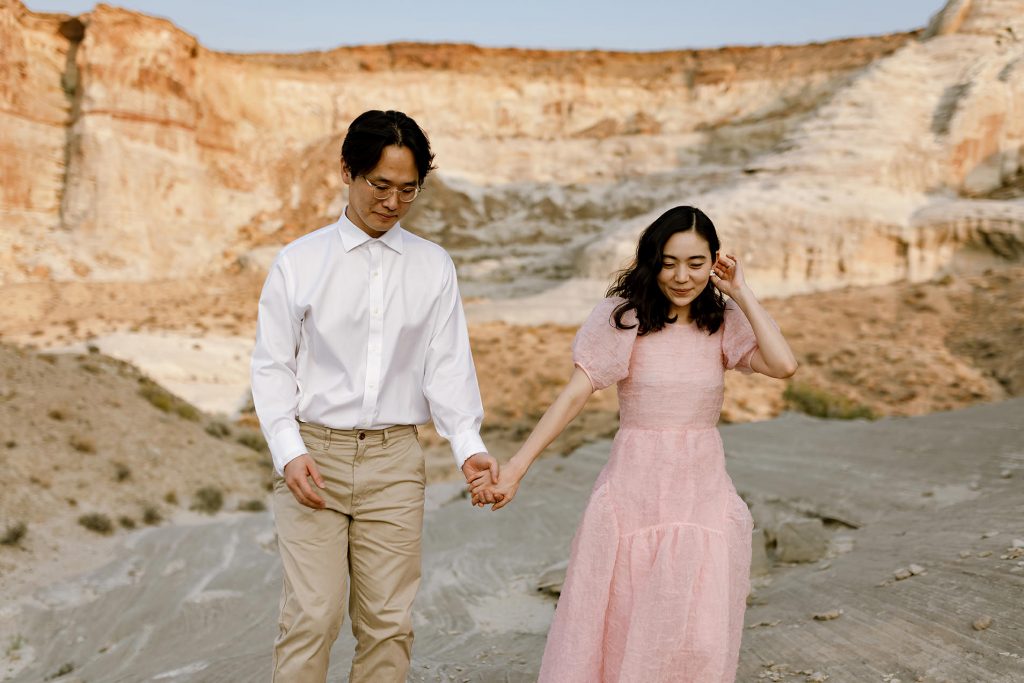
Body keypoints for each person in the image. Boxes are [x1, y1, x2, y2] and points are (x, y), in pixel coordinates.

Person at [470, 206, 797, 681]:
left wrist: (742, 291)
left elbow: (783, 365)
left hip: (701, 495)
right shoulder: (624, 318)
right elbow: (574, 395)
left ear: (715, 263)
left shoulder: (721, 320)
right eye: (668, 263)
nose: (682, 276)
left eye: (695, 263)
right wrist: (517, 467)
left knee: (700, 633)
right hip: (636, 493)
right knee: (625, 624)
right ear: (651, 261)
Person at [251, 109, 501, 683]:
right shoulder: (299, 262)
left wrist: (468, 446)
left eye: (407, 189)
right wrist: (288, 450)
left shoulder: (434, 266)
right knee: (312, 617)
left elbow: (447, 367)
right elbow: (271, 366)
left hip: (395, 461)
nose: (392, 202)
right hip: (313, 456)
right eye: (380, 185)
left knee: (389, 623)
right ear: (347, 171)